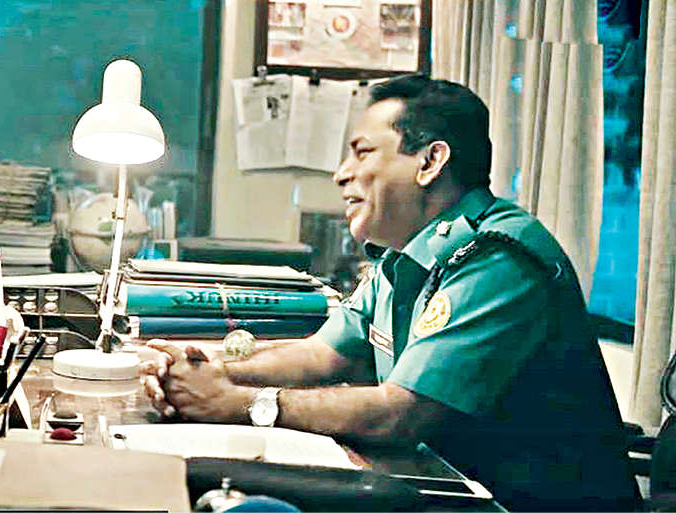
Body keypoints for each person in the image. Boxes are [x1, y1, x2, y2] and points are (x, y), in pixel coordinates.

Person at [142, 74, 638, 512]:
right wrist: (199, 367)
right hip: (443, 486)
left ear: (430, 162)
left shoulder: (496, 258)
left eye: (362, 152)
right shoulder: (404, 255)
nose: (341, 173)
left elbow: (401, 414)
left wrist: (235, 403)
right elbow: (321, 354)